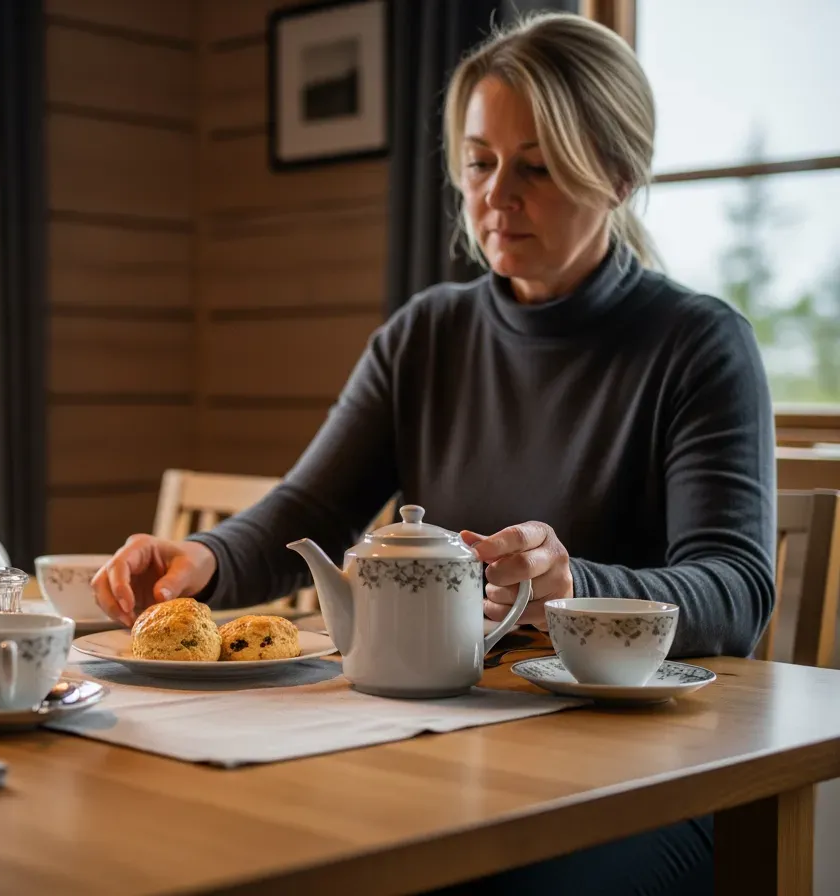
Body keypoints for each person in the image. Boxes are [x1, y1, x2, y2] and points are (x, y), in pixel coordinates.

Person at [92, 12, 774, 895]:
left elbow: (736, 590)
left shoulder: (698, 344)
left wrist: (573, 586)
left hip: (642, 767)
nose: (498, 196)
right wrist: (204, 558)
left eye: (537, 166)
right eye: (481, 163)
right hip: (457, 739)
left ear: (619, 175)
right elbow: (313, 507)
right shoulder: (428, 334)